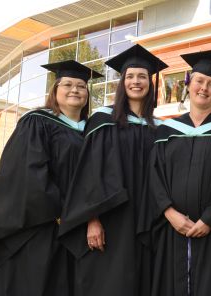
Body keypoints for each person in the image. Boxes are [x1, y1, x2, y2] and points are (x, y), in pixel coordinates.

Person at [0, 60, 102, 296]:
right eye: (67, 84)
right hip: (43, 225)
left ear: (87, 94)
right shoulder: (37, 122)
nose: (74, 90)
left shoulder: (93, 132)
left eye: (81, 86)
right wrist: (64, 212)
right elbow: (30, 174)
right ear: (55, 91)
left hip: (77, 228)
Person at [58, 44, 168, 296]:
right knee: (107, 282)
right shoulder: (103, 121)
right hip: (110, 219)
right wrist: (92, 220)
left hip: (147, 219)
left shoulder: (160, 129)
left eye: (142, 76)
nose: (136, 81)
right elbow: (89, 173)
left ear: (151, 83)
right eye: (129, 76)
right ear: (122, 82)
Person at [147, 49, 211, 296]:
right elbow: (155, 176)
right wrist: (169, 213)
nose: (204, 88)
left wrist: (210, 218)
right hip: (172, 229)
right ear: (189, 85)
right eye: (199, 81)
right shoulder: (167, 130)